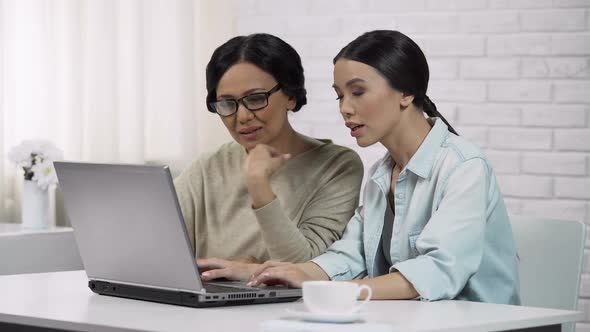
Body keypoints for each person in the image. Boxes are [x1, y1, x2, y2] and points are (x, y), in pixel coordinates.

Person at [204, 30, 521, 304]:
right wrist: (271, 272)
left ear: (406, 92)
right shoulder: (382, 175)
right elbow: (349, 256)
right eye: (339, 95)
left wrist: (339, 291)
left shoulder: (464, 167)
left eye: (358, 92)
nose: (345, 108)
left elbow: (438, 271)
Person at [174, 33, 364, 271]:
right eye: (226, 103)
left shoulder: (337, 166)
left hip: (288, 308)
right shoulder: (207, 167)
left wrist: (258, 185)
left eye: (255, 99)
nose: (242, 116)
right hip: (203, 306)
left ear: (291, 96)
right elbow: (161, 247)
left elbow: (304, 269)